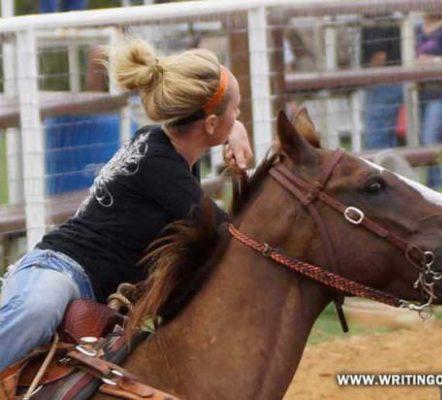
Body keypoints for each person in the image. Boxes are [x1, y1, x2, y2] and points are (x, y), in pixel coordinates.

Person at [0, 39, 253, 371]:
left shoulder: (155, 142)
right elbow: (228, 234)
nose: (238, 115)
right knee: (38, 311)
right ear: (208, 124)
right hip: (60, 271)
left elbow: (209, 132)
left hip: (86, 286)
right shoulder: (162, 167)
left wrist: (234, 127)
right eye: (236, 109)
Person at [416, 13, 442, 189]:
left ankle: (434, 185)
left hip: (441, 92)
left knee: (430, 137)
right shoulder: (415, 29)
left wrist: (433, 61)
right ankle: (435, 181)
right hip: (420, 92)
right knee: (424, 137)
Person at [362, 26, 404, 150]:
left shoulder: (375, 20)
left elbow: (380, 55)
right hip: (390, 82)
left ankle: (379, 169)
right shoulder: (388, 19)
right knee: (387, 139)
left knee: (376, 140)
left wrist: (367, 77)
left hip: (381, 84)